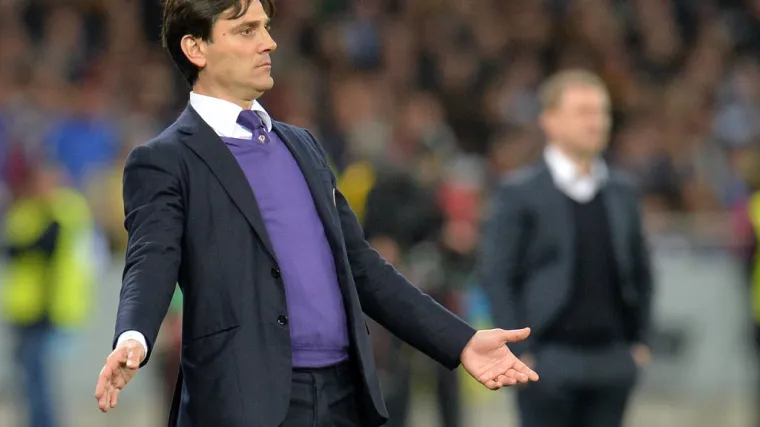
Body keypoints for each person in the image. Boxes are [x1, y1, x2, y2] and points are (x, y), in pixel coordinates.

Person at [93, 1, 538, 426]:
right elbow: (151, 259)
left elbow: (360, 266)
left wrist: (462, 341)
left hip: (343, 397)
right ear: (196, 48)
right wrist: (134, 336)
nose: (268, 42)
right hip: (243, 402)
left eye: (266, 28)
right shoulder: (165, 160)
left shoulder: (302, 145)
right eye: (246, 30)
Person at [479, 70, 653, 427]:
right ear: (550, 121)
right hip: (548, 358)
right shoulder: (520, 192)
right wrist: (520, 351)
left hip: (612, 360)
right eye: (583, 112)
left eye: (601, 112)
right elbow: (498, 275)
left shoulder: (622, 191)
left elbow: (641, 270)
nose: (596, 122)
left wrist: (640, 343)